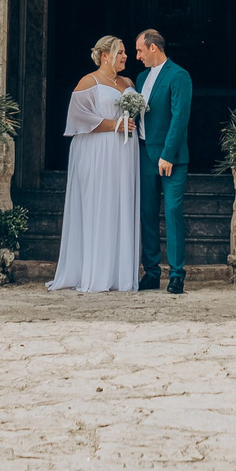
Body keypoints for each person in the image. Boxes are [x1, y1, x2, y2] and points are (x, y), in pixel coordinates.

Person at [47, 35, 141, 293]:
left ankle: (119, 275)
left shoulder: (128, 82)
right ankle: (96, 272)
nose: (125, 56)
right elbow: (77, 118)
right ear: (105, 56)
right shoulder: (89, 82)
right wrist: (115, 125)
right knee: (98, 204)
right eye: (120, 52)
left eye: (125, 52)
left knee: (120, 204)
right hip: (97, 151)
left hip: (124, 153)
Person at [134, 27, 194, 294]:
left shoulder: (179, 76)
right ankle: (151, 272)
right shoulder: (140, 78)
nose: (137, 56)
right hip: (145, 154)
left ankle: (177, 274)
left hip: (172, 158)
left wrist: (167, 154)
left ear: (153, 48)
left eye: (139, 50)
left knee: (172, 212)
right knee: (147, 214)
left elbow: (180, 117)